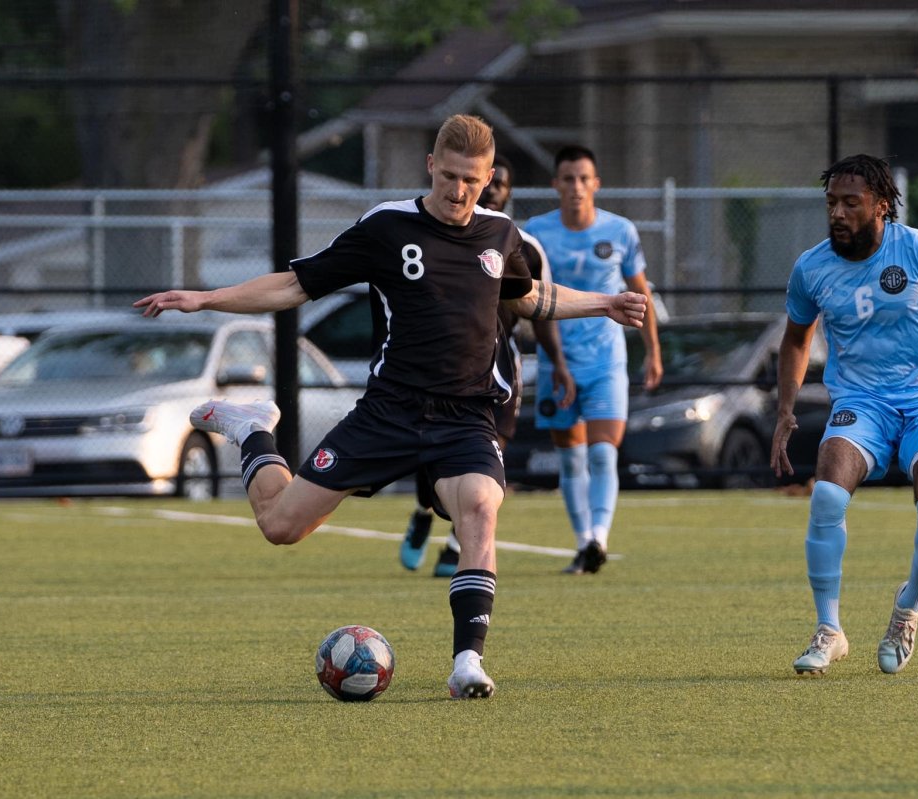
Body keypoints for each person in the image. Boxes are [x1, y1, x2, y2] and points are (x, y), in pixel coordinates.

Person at [133, 115, 647, 699]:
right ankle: (253, 431)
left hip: (465, 416)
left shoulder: (500, 235)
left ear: (489, 178)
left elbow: (530, 297)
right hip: (389, 413)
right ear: (431, 165)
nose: (459, 192)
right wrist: (206, 299)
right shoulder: (386, 226)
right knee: (280, 527)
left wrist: (604, 302)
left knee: (480, 507)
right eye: (450, 176)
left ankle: (466, 664)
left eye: (472, 182)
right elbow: (296, 284)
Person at [771, 154, 918, 676]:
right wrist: (786, 407)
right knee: (827, 495)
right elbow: (796, 338)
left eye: (850, 203)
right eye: (831, 202)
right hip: (861, 403)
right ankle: (829, 629)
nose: (837, 213)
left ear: (881, 206)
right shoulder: (811, 267)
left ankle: (907, 609)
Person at [399, 152, 576, 577]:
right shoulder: (432, 235)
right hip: (441, 369)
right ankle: (424, 512)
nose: (488, 192)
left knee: (490, 452)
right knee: (429, 459)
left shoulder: (521, 244)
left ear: (501, 186)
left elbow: (540, 308)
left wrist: (560, 367)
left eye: (494, 184)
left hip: (498, 367)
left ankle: (455, 549)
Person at [524, 145, 662, 575]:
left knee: (603, 455)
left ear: (596, 184)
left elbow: (642, 294)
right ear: (556, 185)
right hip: (555, 362)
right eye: (568, 178)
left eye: (584, 178)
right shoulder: (535, 232)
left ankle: (599, 537)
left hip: (605, 362)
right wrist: (555, 358)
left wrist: (654, 351)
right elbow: (528, 300)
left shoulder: (620, 231)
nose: (576, 187)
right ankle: (583, 540)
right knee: (570, 458)